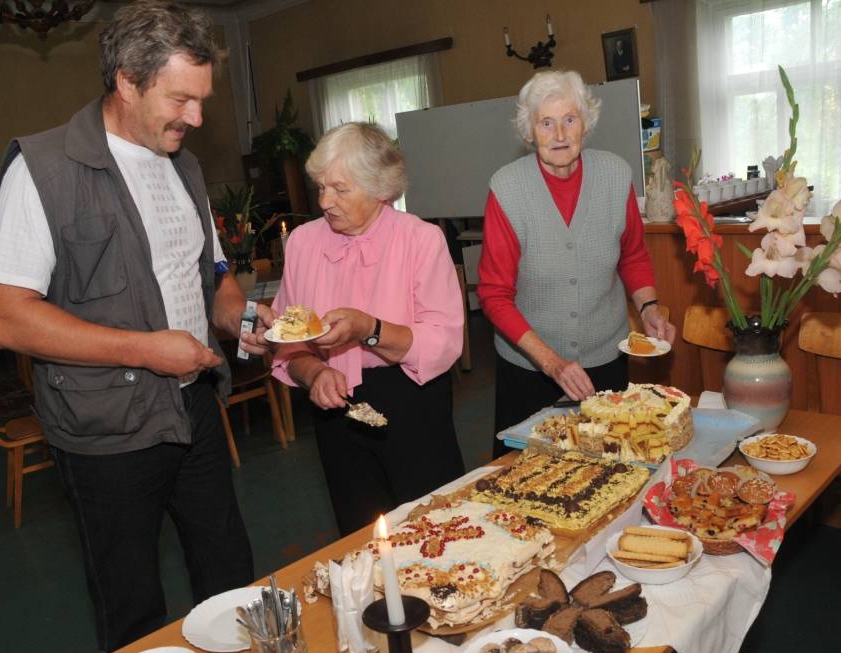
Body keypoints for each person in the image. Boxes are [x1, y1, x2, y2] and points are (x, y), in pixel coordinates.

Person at [0, 1, 260, 652]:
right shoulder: (44, 170)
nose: (196, 118)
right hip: (106, 429)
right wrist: (146, 350)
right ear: (128, 82)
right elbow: (3, 316)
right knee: (133, 608)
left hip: (194, 406)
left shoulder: (183, 164)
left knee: (230, 577)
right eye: (181, 99)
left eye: (202, 100)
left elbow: (213, 273)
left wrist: (241, 316)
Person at [245, 122, 465, 536]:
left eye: (340, 189)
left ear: (380, 188)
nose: (324, 201)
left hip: (411, 402)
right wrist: (315, 373)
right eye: (321, 187)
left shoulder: (421, 240)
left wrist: (369, 329)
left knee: (436, 530)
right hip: (335, 407)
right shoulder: (303, 243)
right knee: (360, 534)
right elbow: (288, 343)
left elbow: (443, 341)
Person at [478, 70, 676, 456]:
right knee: (526, 474)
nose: (559, 134)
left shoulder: (616, 175)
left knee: (611, 467)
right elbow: (494, 294)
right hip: (529, 367)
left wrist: (649, 307)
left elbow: (633, 254)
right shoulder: (507, 188)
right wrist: (551, 362)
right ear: (529, 130)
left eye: (570, 119)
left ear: (586, 122)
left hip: (605, 360)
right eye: (546, 123)